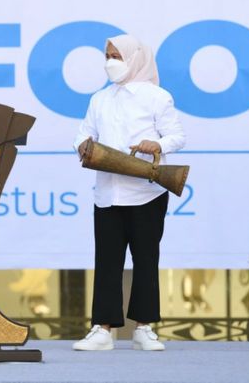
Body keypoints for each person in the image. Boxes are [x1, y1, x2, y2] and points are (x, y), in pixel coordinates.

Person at [72, 34, 185, 351]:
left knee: (146, 258)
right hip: (107, 193)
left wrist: (157, 145)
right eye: (107, 55)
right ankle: (102, 329)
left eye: (117, 56)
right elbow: (84, 133)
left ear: (135, 58)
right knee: (106, 260)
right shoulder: (100, 99)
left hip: (146, 192)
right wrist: (81, 145)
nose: (110, 62)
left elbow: (177, 136)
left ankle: (144, 327)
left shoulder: (157, 97)